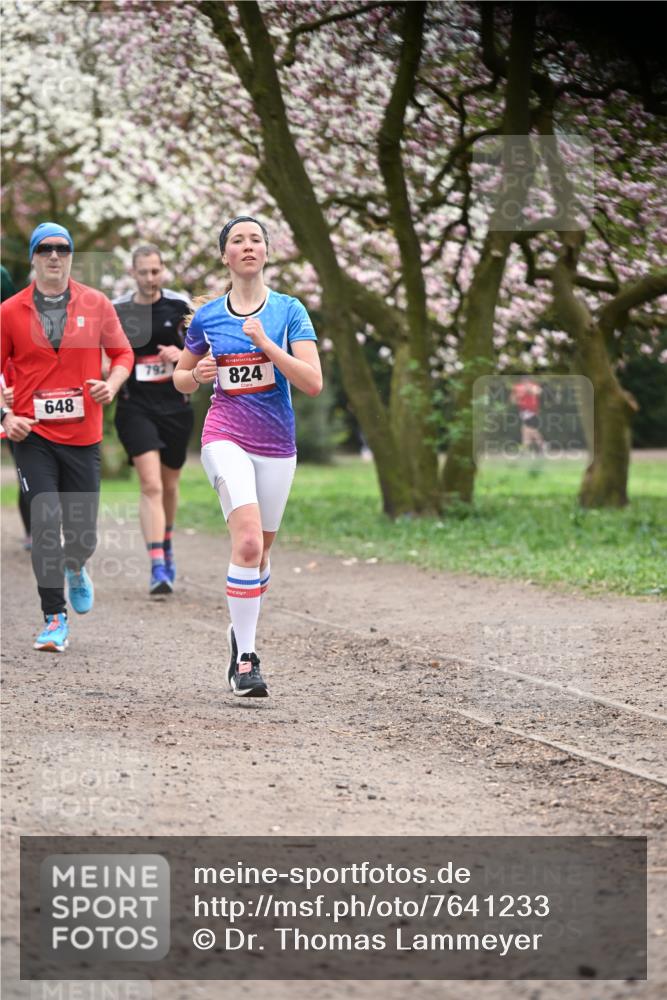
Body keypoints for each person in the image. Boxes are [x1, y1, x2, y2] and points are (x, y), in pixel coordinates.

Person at [173, 216, 322, 698]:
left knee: (261, 555)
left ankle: (241, 628)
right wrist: (198, 375)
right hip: (225, 436)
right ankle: (246, 660)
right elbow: (179, 375)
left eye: (256, 239)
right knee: (249, 544)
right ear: (226, 256)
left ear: (266, 251)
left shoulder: (289, 311)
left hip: (277, 445)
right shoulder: (208, 317)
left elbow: (312, 382)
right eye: (237, 240)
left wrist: (265, 346)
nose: (248, 246)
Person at [0, 222, 133, 652]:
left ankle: (76, 565)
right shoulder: (9, 312)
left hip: (83, 435)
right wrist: (5, 415)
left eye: (62, 248)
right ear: (34, 258)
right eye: (45, 249)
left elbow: (123, 354)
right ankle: (53, 618)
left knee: (82, 536)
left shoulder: (96, 304)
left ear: (71, 256)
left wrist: (111, 385)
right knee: (44, 521)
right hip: (32, 433)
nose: (54, 256)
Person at [112, 245, 194, 595]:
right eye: (143, 272)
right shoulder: (118, 310)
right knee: (151, 485)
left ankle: (167, 542)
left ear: (163, 271)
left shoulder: (179, 306)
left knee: (169, 484)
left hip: (175, 406)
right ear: (133, 272)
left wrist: (181, 354)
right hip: (135, 407)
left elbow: (203, 349)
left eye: (156, 271)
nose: (150, 278)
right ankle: (158, 565)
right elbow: (107, 353)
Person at [510, 376, 545, 455]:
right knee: (528, 430)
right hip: (523, 411)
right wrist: (517, 398)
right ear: (522, 381)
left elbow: (538, 392)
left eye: (527, 381)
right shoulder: (518, 387)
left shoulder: (533, 386)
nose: (526, 382)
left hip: (531, 411)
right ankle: (538, 446)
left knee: (527, 430)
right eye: (524, 381)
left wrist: (529, 389)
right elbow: (512, 400)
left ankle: (528, 448)